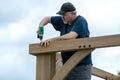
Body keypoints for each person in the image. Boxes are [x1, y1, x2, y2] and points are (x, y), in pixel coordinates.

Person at [37, 2, 92, 80]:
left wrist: (51, 40)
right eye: (61, 15)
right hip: (66, 67)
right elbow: (46, 19)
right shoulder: (63, 21)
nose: (62, 17)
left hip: (81, 66)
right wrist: (40, 27)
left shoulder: (80, 20)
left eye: (64, 15)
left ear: (73, 14)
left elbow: (71, 36)